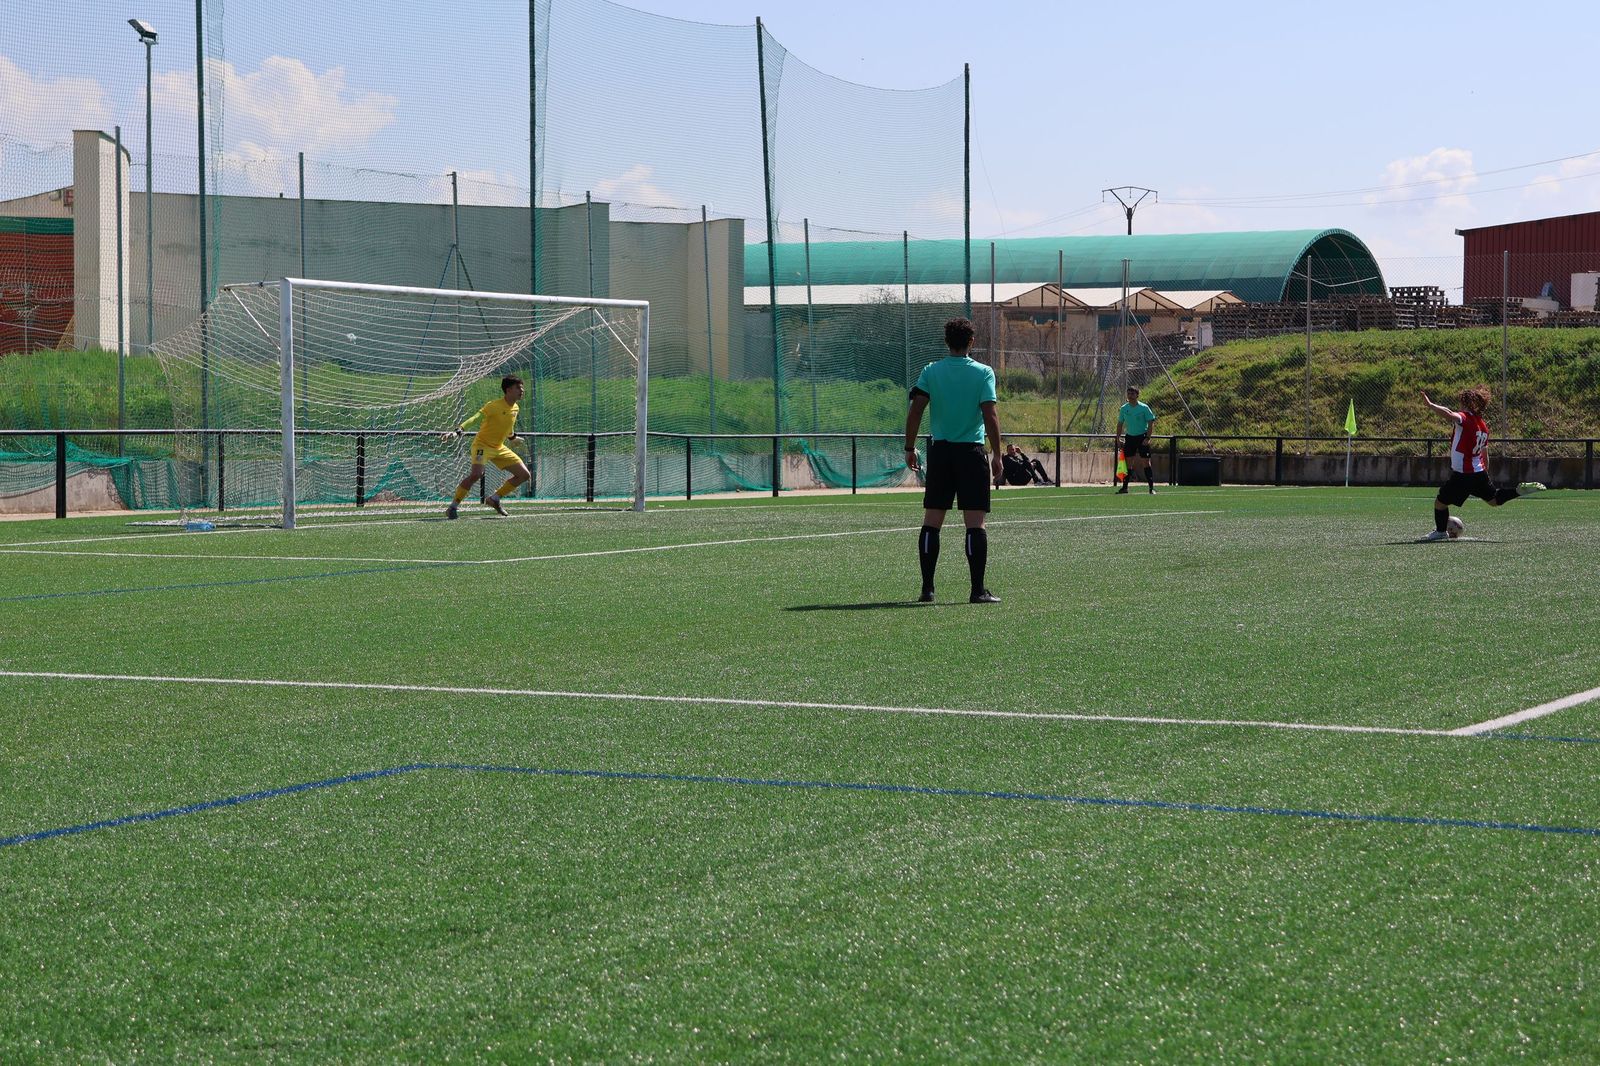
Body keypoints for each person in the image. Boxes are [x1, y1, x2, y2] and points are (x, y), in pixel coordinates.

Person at [905, 318, 1004, 604]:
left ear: (946, 342)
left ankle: (927, 589)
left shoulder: (931, 371)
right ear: (971, 341)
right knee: (975, 523)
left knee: (932, 521)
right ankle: (977, 590)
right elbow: (990, 414)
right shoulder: (984, 372)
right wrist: (997, 453)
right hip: (971, 453)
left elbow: (915, 412)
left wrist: (909, 447)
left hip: (941, 452)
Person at [1418, 386, 1544, 540]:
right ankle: (1517, 491)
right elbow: (1485, 453)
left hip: (1463, 474)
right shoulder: (1483, 425)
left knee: (1440, 503)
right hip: (1479, 472)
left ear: (1466, 404)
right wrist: (1485, 475)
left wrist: (1431, 405)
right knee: (1494, 500)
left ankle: (1440, 532)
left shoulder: (1465, 418)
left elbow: (1449, 413)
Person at [442, 375, 530, 519]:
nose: (522, 390)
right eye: (518, 388)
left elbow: (507, 426)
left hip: (499, 447)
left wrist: (513, 438)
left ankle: (494, 498)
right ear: (508, 390)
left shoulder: (515, 408)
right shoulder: (493, 405)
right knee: (476, 474)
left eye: (522, 387)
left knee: (524, 475)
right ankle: (453, 507)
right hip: (482, 445)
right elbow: (476, 417)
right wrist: (458, 431)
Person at [1114, 385, 1157, 494]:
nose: (1130, 395)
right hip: (1130, 438)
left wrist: (1148, 437)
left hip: (1142, 437)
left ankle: (1151, 488)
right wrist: (1118, 438)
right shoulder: (1124, 408)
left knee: (1146, 463)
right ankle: (1125, 488)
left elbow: (1151, 422)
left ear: (1137, 395)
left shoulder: (1144, 407)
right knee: (1128, 464)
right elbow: (1120, 424)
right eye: (1129, 393)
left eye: (1133, 393)